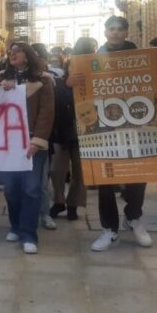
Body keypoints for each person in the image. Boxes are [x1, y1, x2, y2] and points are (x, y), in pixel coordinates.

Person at [87, 16, 152, 252]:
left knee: (138, 176)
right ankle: (109, 229)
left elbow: (156, 86)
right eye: (111, 29)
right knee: (106, 181)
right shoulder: (92, 61)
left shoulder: (142, 59)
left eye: (119, 29)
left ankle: (133, 217)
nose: (115, 33)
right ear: (105, 32)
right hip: (105, 129)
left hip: (135, 127)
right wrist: (71, 82)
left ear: (126, 33)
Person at [0, 43, 55, 254]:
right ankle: (15, 225)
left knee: (31, 189)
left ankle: (29, 234)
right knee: (12, 188)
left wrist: (37, 141)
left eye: (18, 51)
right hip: (8, 143)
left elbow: (46, 113)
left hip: (32, 142)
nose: (12, 54)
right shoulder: (1, 82)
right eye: (10, 52)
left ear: (28, 56)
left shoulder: (43, 81)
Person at [47, 37, 92, 222]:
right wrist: (67, 86)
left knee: (81, 173)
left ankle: (74, 204)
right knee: (57, 170)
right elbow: (54, 104)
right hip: (61, 133)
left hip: (86, 133)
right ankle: (59, 201)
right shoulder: (59, 83)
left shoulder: (94, 83)